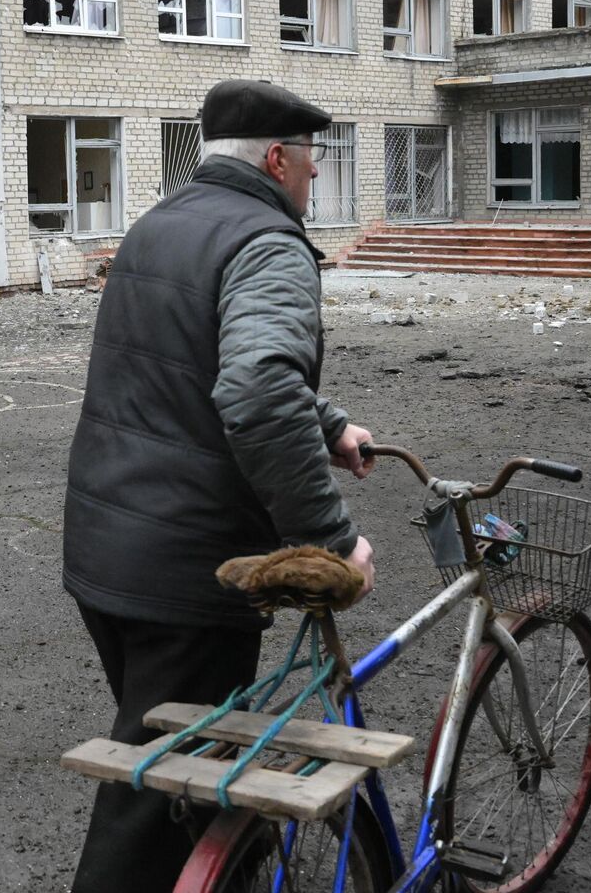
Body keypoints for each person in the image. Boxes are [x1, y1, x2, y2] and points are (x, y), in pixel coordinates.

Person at [62, 79, 377, 893]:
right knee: (153, 792)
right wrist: (334, 545)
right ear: (277, 159)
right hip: (188, 569)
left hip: (106, 548)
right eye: (311, 166)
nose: (314, 183)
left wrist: (329, 421)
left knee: (192, 775)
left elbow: (195, 355)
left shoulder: (159, 226)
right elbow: (255, 389)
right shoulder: (268, 244)